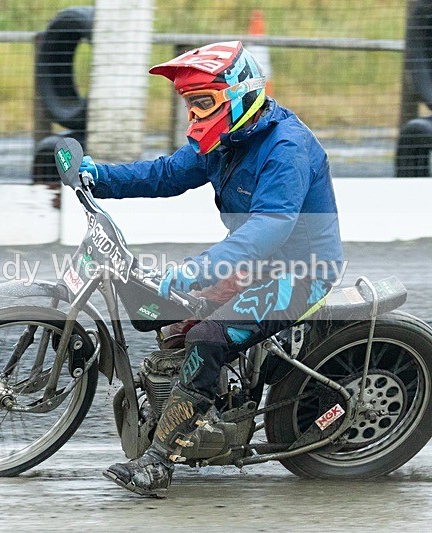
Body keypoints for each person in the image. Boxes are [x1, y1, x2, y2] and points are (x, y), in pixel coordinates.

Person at [78, 41, 344, 497]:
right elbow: (164, 175)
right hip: (253, 263)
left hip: (301, 272)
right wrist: (99, 177)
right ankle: (201, 401)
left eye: (204, 103)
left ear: (239, 95)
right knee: (164, 314)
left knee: (206, 337)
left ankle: (161, 460)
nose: (195, 116)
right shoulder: (223, 139)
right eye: (191, 105)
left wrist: (196, 271)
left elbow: (269, 228)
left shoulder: (286, 148)